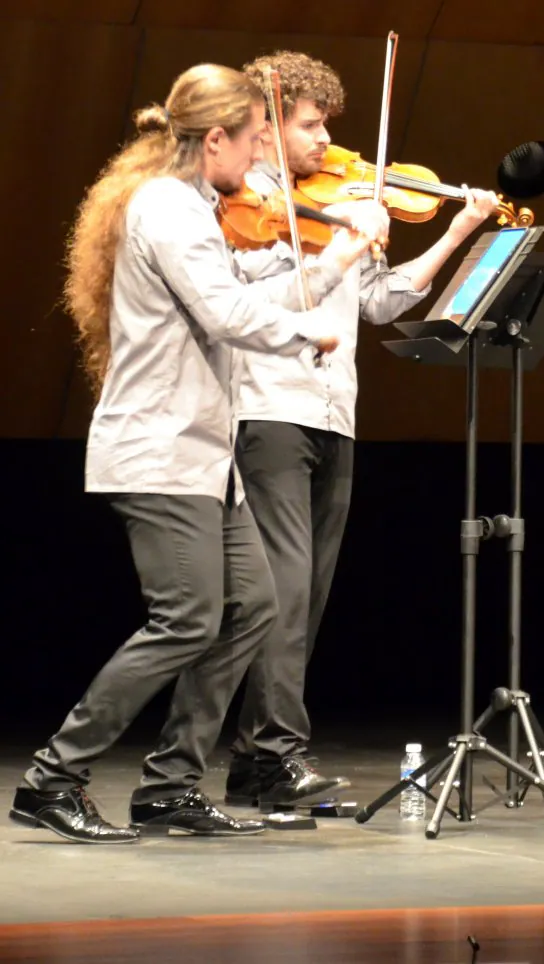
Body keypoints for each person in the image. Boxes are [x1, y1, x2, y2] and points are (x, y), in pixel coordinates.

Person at [9, 63, 364, 844]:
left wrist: (326, 275)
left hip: (207, 456)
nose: (258, 158)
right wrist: (311, 329)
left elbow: (244, 300)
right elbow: (225, 311)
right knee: (186, 618)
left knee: (253, 609)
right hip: (158, 448)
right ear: (215, 141)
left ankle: (170, 785)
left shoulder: (202, 207)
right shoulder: (167, 208)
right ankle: (52, 777)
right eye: (252, 140)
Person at [221, 50, 500, 810]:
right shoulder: (245, 200)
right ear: (269, 125)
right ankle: (278, 757)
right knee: (281, 594)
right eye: (310, 126)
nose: (325, 143)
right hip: (269, 407)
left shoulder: (336, 196)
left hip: (335, 412)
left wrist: (457, 233)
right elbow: (256, 300)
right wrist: (338, 237)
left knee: (306, 599)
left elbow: (379, 300)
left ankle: (256, 763)